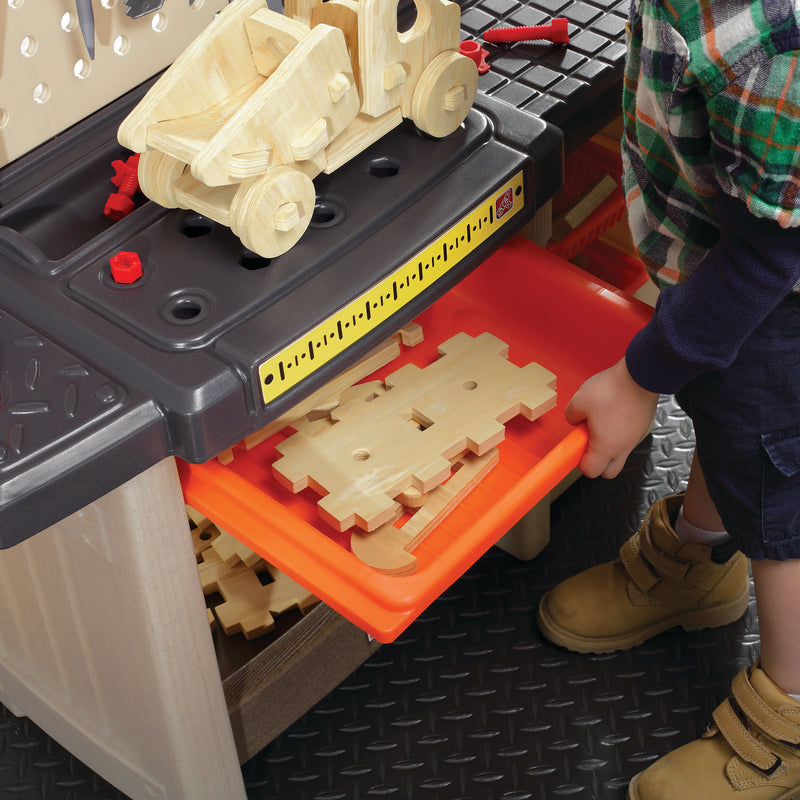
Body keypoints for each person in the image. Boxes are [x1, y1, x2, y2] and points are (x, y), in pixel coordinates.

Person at [535, 1, 800, 797]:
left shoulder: (778, 45)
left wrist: (640, 377)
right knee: (728, 425)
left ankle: (789, 717)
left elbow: (769, 254)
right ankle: (697, 557)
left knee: (779, 498)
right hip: (721, 263)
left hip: (773, 298)